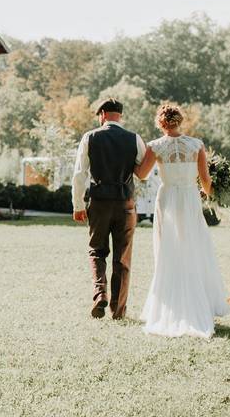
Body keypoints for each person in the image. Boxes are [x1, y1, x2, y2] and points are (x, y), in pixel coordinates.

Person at [134, 104, 230, 338]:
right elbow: (206, 182)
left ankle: (170, 306)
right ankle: (200, 302)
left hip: (168, 198)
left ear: (160, 123)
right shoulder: (196, 145)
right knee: (193, 246)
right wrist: (209, 190)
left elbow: (141, 174)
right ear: (180, 121)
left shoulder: (155, 146)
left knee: (168, 249)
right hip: (189, 198)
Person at [72, 98, 151, 320]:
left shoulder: (90, 137)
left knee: (97, 251)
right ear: (120, 116)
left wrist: (78, 205)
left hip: (99, 202)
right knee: (122, 258)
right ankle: (118, 310)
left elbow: (79, 174)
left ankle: (100, 294)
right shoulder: (134, 139)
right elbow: (143, 170)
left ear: (103, 115)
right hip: (125, 203)